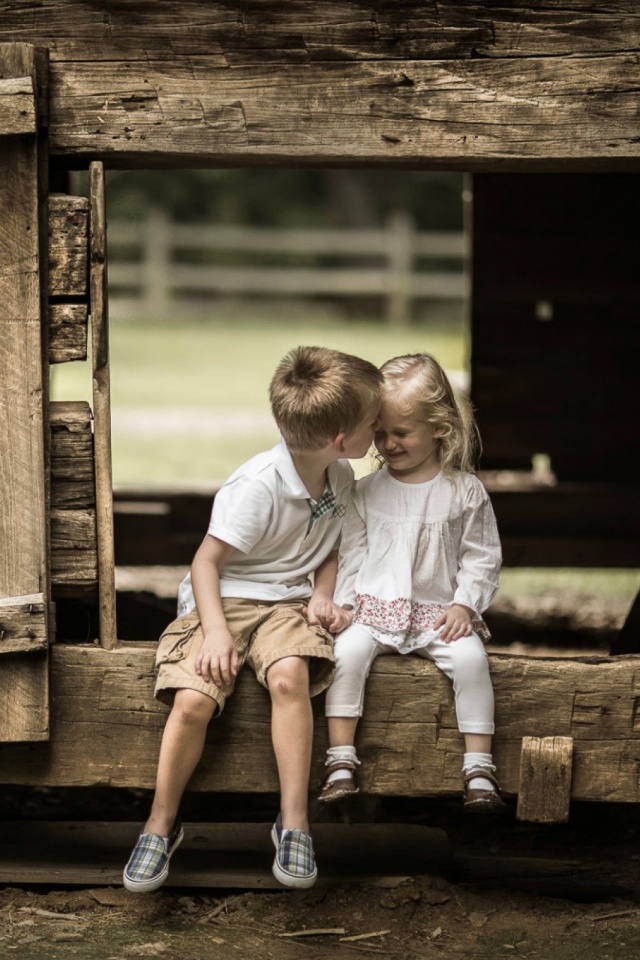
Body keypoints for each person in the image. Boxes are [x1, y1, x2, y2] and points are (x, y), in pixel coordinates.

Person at [123, 345, 382, 893]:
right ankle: (159, 825)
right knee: (194, 698)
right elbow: (204, 563)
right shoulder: (258, 486)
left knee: (291, 676)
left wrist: (323, 594)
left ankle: (294, 824)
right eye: (372, 423)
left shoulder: (340, 477)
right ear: (342, 439)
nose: (378, 431)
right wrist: (215, 632)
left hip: (286, 606)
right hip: (225, 600)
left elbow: (332, 547)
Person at [319, 353, 505, 813]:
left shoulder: (464, 491)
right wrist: (344, 606)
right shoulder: (366, 491)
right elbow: (352, 553)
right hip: (373, 607)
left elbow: (481, 558)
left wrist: (465, 605)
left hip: (438, 614)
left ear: (439, 426)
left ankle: (478, 766)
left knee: (471, 661)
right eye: (380, 432)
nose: (387, 443)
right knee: (346, 654)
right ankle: (340, 760)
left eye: (401, 433)